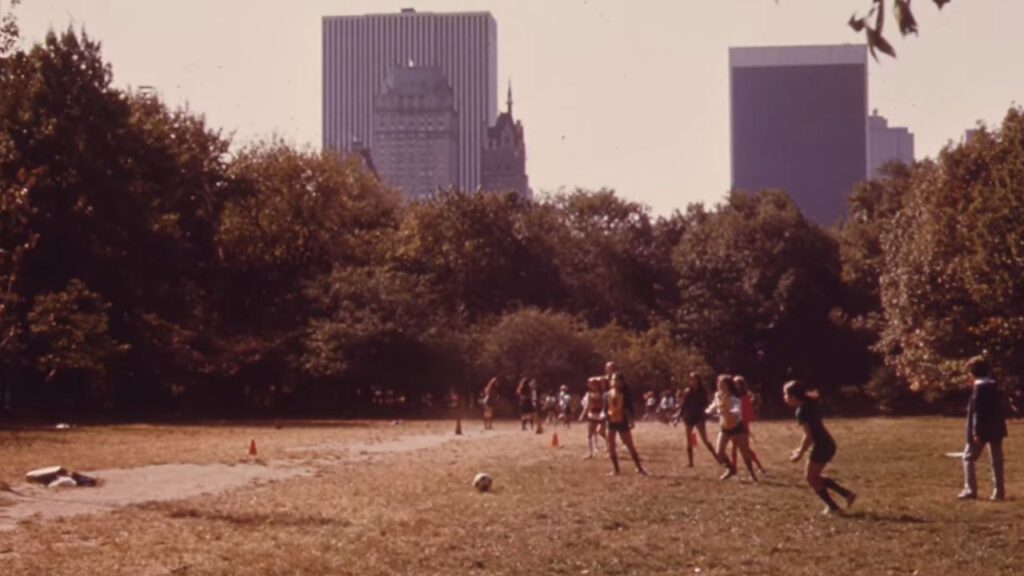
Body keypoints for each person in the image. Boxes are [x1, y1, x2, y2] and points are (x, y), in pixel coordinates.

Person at [784, 380, 856, 515]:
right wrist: (801, 449)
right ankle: (847, 495)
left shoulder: (802, 411)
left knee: (811, 477)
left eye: (786, 395)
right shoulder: (810, 404)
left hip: (821, 445)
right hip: (827, 443)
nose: (785, 398)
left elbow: (809, 436)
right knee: (814, 476)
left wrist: (800, 453)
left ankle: (834, 507)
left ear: (794, 396)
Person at [959, 356, 1008, 501]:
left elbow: (978, 413)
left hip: (982, 429)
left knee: (968, 457)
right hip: (997, 428)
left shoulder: (979, 389)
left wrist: (976, 432)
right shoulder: (994, 386)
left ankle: (970, 489)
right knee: (996, 459)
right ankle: (999, 492)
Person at [706, 374, 758, 482]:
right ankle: (731, 469)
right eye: (719, 384)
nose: (720, 387)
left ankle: (752, 475)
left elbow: (737, 410)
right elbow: (713, 406)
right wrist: (707, 411)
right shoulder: (718, 396)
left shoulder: (734, 397)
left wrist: (729, 412)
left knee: (744, 452)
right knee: (719, 453)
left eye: (723, 385)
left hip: (737, 427)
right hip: (725, 427)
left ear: (729, 386)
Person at [602, 373, 648, 476]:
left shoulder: (625, 394)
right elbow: (604, 410)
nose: (614, 382)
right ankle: (616, 470)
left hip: (622, 421)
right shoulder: (606, 395)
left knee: (630, 445)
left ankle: (639, 468)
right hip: (610, 422)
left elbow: (629, 409)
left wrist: (631, 420)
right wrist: (605, 416)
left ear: (621, 382)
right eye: (613, 380)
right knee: (611, 446)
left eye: (617, 380)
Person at [678, 372, 718, 467]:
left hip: (699, 416)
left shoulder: (702, 392)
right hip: (689, 417)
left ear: (698, 380)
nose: (692, 381)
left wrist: (707, 413)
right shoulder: (687, 392)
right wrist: (678, 417)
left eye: (694, 379)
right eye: (691, 379)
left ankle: (717, 457)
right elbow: (683, 406)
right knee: (689, 440)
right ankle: (690, 462)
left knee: (705, 440)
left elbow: (705, 404)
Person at [730, 375, 766, 474]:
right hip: (733, 425)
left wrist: (745, 425)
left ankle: (758, 466)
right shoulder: (733, 396)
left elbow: (747, 413)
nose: (735, 385)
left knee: (745, 449)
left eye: (737, 383)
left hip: (742, 426)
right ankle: (734, 468)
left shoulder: (744, 397)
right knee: (734, 448)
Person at [579, 377, 607, 458]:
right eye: (590, 384)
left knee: (602, 432)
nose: (590, 385)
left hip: (601, 415)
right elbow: (587, 406)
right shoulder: (589, 394)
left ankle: (609, 447)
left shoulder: (603, 394)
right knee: (590, 435)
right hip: (592, 415)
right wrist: (582, 415)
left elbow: (604, 405)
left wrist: (603, 413)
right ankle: (590, 453)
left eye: (592, 384)